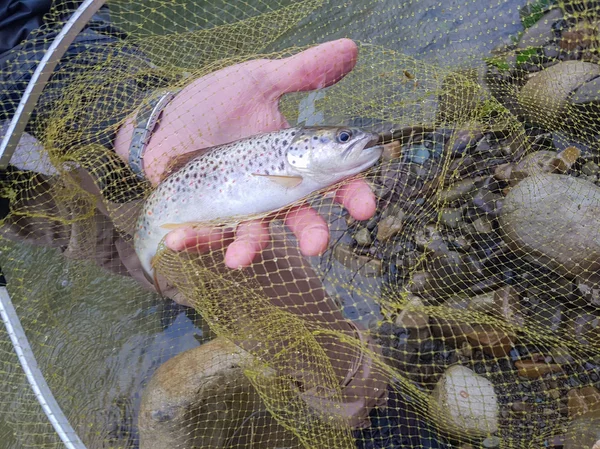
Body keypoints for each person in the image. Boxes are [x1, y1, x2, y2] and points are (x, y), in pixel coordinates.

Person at [0, 0, 388, 430]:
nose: (354, 141)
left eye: (342, 137)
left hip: (82, 111)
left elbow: (27, 19)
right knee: (110, 247)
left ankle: (347, 388)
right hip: (14, 188)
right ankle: (177, 288)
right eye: (343, 138)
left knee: (231, 265)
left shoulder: (290, 165)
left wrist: (133, 121)